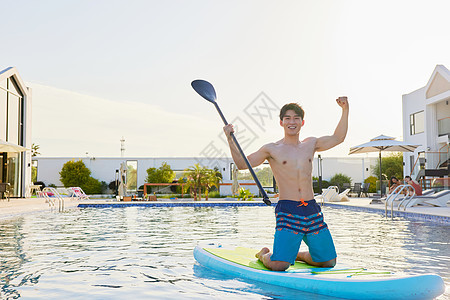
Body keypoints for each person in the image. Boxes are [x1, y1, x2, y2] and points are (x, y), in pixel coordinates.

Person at [223, 97, 349, 271]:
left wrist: (345, 110)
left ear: (302, 122)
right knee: (279, 265)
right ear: (281, 122)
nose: (292, 121)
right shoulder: (271, 149)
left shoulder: (311, 144)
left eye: (296, 118)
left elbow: (338, 138)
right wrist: (230, 139)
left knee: (328, 262)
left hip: (311, 209)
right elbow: (242, 164)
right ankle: (264, 254)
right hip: (288, 209)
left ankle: (295, 254)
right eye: (288, 118)